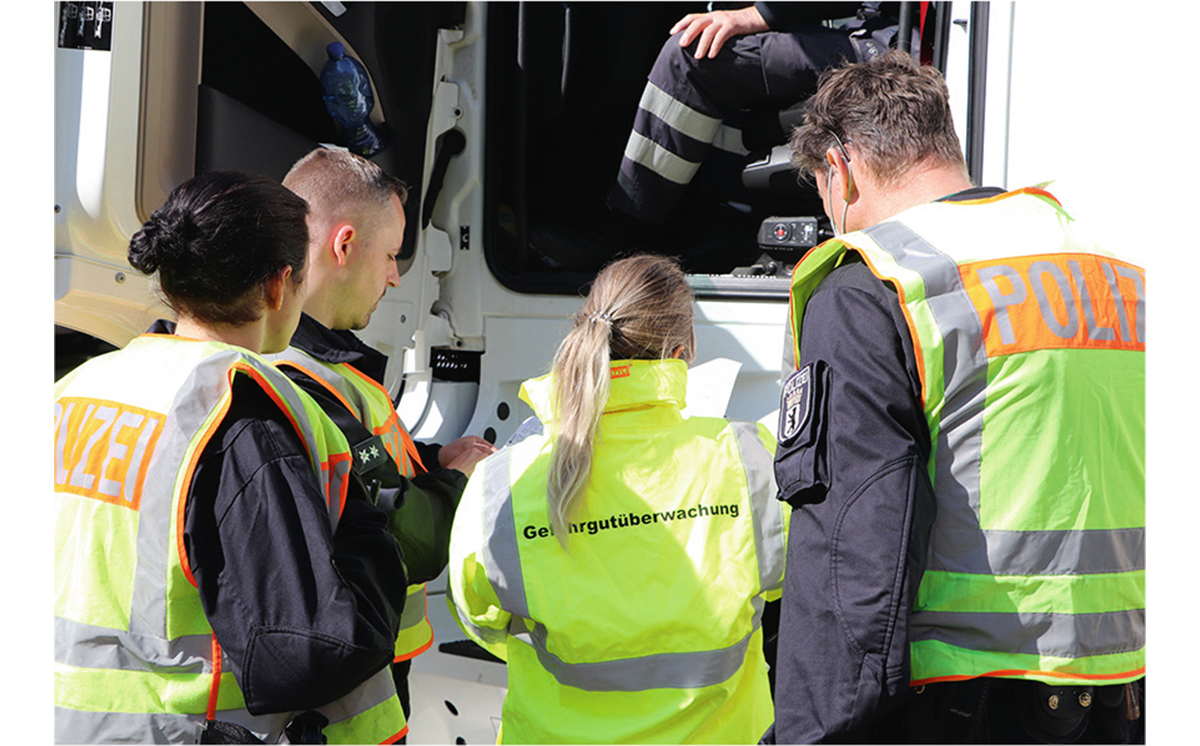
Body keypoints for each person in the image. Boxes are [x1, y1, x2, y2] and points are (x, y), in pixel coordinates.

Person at [767, 51, 1145, 743]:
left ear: (841, 169)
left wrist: (806, 733)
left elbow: (854, 551)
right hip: (1120, 694)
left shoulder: (877, 285)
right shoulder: (1110, 269)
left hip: (961, 704)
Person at [53, 171, 409, 743]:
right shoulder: (238, 414)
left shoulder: (78, 387)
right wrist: (368, 540)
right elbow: (308, 650)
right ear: (278, 287)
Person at [447, 254, 788, 743]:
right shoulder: (747, 459)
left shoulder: (502, 479)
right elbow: (796, 583)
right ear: (683, 348)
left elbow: (482, 617)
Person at [271, 147, 496, 726]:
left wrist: (428, 457)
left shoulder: (322, 369)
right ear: (344, 246)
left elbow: (357, 465)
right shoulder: (303, 376)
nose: (396, 276)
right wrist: (459, 479)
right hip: (338, 708)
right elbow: (407, 537)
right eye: (392, 255)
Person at [607, 2, 901, 227]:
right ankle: (723, 212)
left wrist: (755, 14)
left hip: (889, 44)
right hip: (872, 28)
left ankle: (631, 229)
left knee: (690, 55)